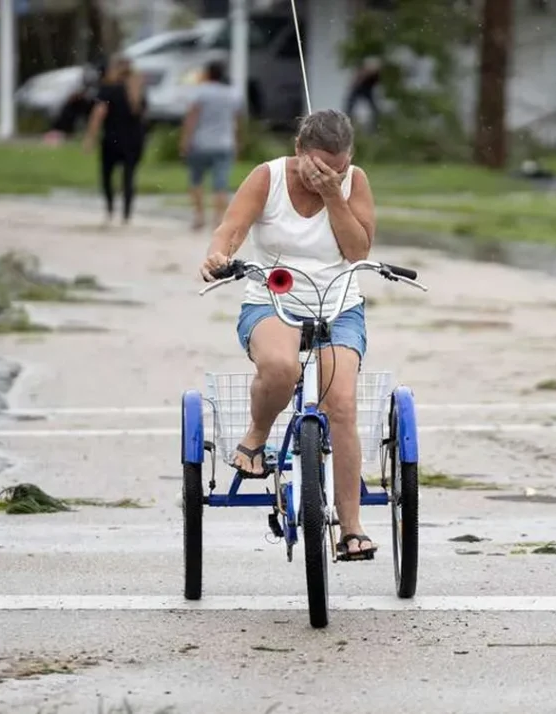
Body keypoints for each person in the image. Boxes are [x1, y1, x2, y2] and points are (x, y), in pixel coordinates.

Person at [198, 109, 379, 561]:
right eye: (316, 164)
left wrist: (334, 194)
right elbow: (232, 228)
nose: (325, 173)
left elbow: (357, 252)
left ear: (349, 159)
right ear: (298, 150)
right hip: (271, 299)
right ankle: (256, 435)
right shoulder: (268, 177)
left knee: (341, 405)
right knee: (280, 368)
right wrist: (219, 255)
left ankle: (351, 527)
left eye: (336, 167)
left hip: (338, 304)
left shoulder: (353, 182)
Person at [83, 55, 148, 225]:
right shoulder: (138, 91)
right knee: (129, 177)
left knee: (107, 175)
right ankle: (126, 215)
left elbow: (99, 113)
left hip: (112, 139)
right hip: (134, 139)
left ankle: (110, 209)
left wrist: (90, 137)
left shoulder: (107, 89)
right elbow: (141, 114)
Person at [180, 60, 244, 231]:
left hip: (201, 142)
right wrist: (238, 142)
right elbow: (236, 120)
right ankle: (218, 218)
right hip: (224, 143)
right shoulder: (232, 94)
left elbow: (192, 117)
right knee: (221, 183)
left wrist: (185, 140)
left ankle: (199, 216)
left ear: (208, 73)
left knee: (196, 180)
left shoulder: (200, 92)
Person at [344, 57, 382, 130]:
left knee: (374, 109)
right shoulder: (364, 73)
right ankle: (348, 121)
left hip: (366, 90)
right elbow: (355, 82)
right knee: (350, 106)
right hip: (358, 88)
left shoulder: (375, 74)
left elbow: (376, 84)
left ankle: (374, 127)